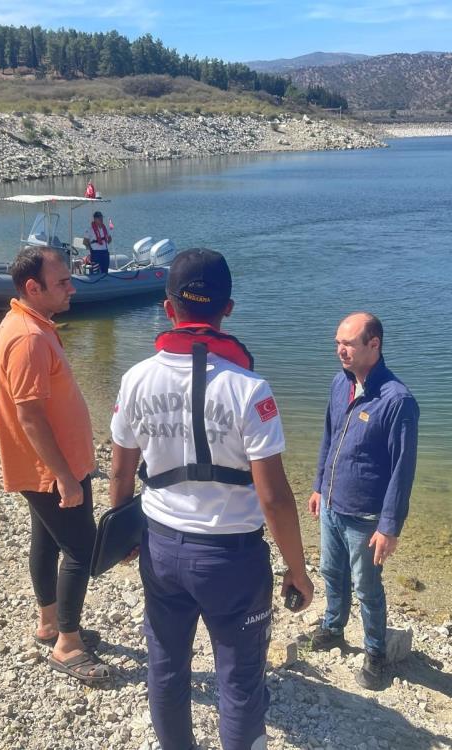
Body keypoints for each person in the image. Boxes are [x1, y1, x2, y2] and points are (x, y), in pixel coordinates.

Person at [109, 248, 314, 750]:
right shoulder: (251, 390)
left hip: (161, 548)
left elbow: (119, 469)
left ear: (167, 308)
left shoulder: (136, 379)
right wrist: (297, 568)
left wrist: (122, 536)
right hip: (232, 559)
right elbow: (275, 497)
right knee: (240, 682)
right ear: (228, 309)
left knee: (166, 668)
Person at [0, 245, 110, 685]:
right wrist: (64, 476)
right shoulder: (29, 337)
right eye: (62, 283)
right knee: (81, 548)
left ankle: (49, 622)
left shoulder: (29, 323)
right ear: (32, 287)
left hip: (44, 467)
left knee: (46, 539)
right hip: (51, 470)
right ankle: (68, 645)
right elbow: (30, 415)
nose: (71, 288)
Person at [307, 312, 419, 691]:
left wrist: (389, 527)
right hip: (332, 506)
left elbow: (403, 471)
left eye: (349, 343)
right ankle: (333, 628)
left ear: (375, 345)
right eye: (338, 342)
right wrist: (319, 485)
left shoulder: (397, 400)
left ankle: (376, 654)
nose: (341, 349)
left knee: (367, 588)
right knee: (330, 573)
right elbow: (328, 435)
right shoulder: (340, 384)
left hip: (366, 516)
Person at [84, 210, 111, 274]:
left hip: (105, 252)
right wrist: (90, 249)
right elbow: (85, 241)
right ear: (95, 219)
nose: (101, 219)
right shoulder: (90, 229)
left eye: (101, 218)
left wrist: (107, 240)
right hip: (96, 253)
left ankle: (105, 281)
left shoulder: (105, 228)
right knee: (95, 271)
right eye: (99, 218)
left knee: (105, 270)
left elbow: (109, 239)